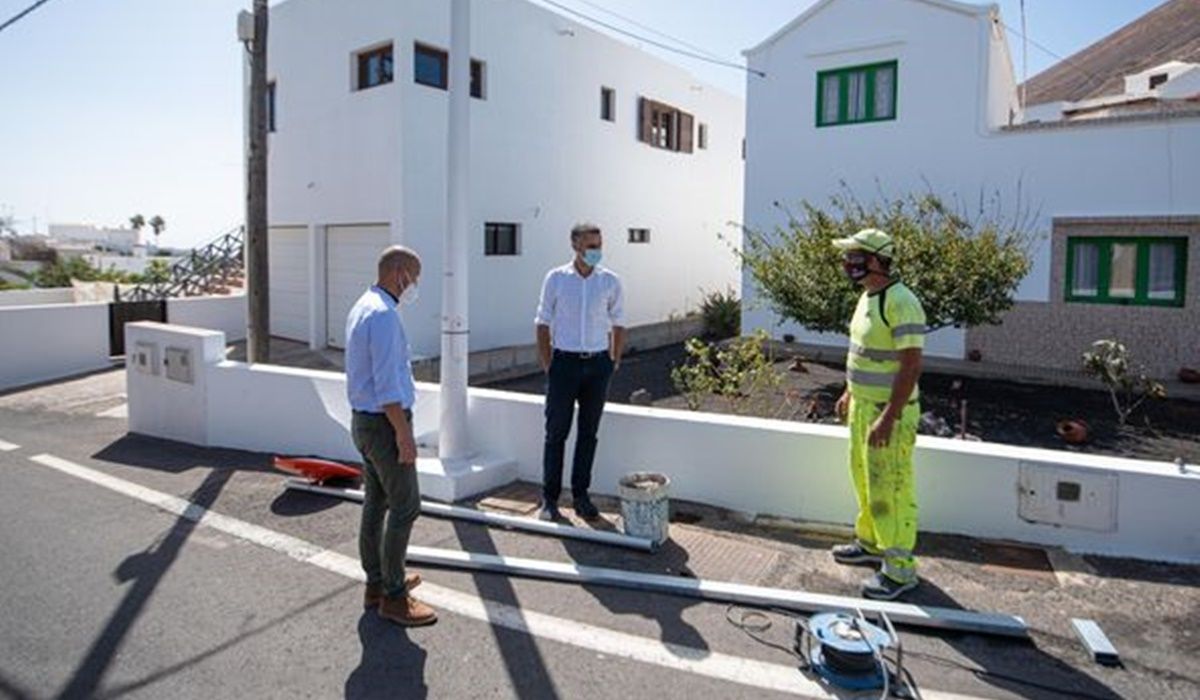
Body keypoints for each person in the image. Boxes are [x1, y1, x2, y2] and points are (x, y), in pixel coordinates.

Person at [830, 228, 926, 601]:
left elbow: (910, 366)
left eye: (854, 256)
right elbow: (864, 352)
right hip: (861, 408)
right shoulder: (867, 298)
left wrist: (888, 417)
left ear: (876, 260)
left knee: (892, 488)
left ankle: (900, 570)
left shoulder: (901, 301)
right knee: (865, 478)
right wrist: (849, 392)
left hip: (890, 414)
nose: (846, 263)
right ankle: (870, 542)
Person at [345, 245, 436, 626]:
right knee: (405, 506)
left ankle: (378, 582)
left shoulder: (363, 306)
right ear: (398, 272)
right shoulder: (383, 316)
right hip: (384, 424)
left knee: (377, 503)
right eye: (413, 275)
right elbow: (387, 386)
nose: (414, 284)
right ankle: (394, 596)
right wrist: (404, 435)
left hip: (365, 422)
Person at [534, 223, 626, 521]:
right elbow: (542, 322)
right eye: (590, 245)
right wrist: (549, 363)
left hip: (597, 365)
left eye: (599, 245)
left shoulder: (610, 281)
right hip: (564, 364)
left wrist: (613, 360)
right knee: (556, 432)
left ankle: (581, 496)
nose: (596, 251)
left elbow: (619, 321)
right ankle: (549, 499)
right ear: (575, 245)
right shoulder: (557, 279)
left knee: (589, 433)